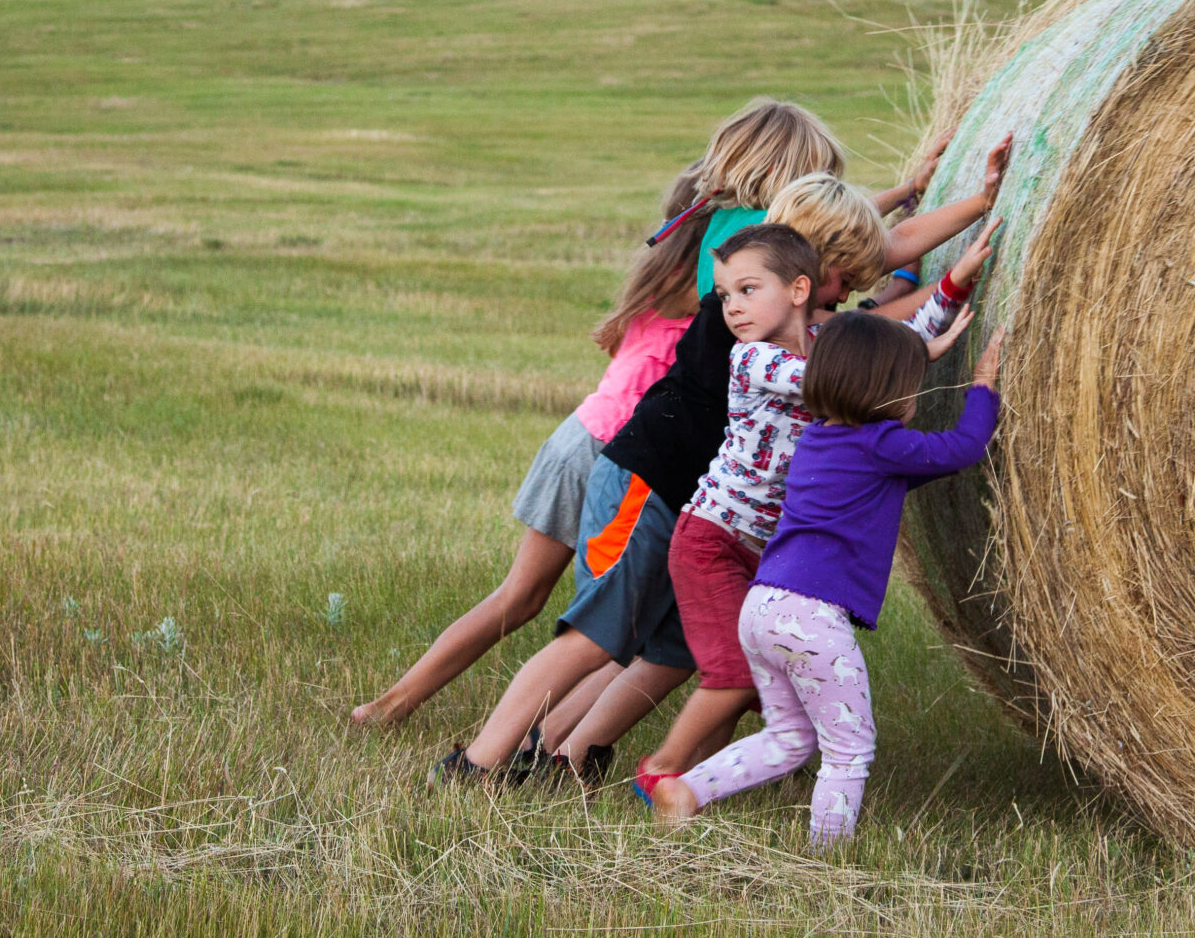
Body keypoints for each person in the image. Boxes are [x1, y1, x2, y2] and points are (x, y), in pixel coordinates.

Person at [431, 136, 1010, 786]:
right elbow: (855, 367)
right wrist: (928, 333)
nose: (847, 294)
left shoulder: (809, 325)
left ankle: (568, 756)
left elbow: (878, 326)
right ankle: (477, 762)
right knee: (596, 635)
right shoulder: (744, 329)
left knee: (679, 651)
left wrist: (959, 271)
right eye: (841, 279)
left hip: (712, 521)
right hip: (646, 485)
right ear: (804, 275)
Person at [626, 206, 995, 791]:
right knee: (732, 676)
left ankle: (709, 777)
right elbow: (858, 374)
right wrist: (920, 355)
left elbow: (885, 352)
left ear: (800, 290)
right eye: (725, 296)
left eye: (747, 290)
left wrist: (955, 284)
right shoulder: (750, 359)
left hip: (771, 551)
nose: (733, 308)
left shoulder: (831, 343)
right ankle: (661, 771)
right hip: (714, 538)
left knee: (757, 670)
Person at [346, 162, 703, 730]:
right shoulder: (701, 289)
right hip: (616, 459)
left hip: (578, 438)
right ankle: (529, 742)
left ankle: (392, 707)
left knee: (520, 596)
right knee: (607, 630)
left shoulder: (658, 276)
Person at [652, 314, 1005, 845]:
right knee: (849, 748)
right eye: (910, 386)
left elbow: (910, 472)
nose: (915, 398)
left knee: (789, 738)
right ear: (885, 394)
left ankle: (688, 791)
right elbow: (962, 448)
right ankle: (827, 853)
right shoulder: (882, 444)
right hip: (810, 617)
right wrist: (982, 388)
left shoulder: (819, 438)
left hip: (763, 607)